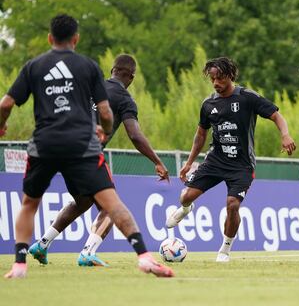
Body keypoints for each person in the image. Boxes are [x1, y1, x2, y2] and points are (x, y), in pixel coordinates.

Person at [0, 14, 173, 278]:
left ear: (49, 38)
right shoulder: (89, 70)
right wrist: (104, 129)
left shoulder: (34, 66)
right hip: (83, 148)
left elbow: (6, 104)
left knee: (39, 204)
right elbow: (114, 119)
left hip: (44, 143)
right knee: (110, 203)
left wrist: (1, 126)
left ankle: (26, 258)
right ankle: (121, 255)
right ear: (76, 39)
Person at [27, 54, 169, 267]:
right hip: (87, 153)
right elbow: (135, 135)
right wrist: (157, 161)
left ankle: (42, 244)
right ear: (131, 77)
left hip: (61, 150)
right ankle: (87, 253)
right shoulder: (124, 99)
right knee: (112, 206)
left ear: (112, 71)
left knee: (82, 202)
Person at [166, 57, 296, 262]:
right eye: (212, 79)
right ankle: (186, 208)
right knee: (186, 197)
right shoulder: (208, 104)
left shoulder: (247, 97)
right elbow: (200, 135)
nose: (216, 83)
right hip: (215, 161)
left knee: (233, 204)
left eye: (220, 78)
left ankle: (224, 250)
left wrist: (285, 135)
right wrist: (189, 162)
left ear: (231, 76)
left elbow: (276, 116)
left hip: (242, 165)